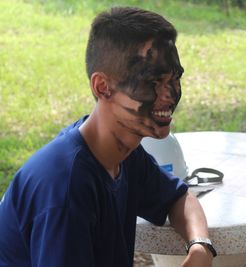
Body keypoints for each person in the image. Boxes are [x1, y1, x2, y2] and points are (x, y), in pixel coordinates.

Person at [0, 6, 216, 267]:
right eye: (153, 81)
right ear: (103, 87)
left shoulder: (124, 152)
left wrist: (200, 246)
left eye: (175, 77)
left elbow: (179, 197)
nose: (170, 94)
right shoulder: (67, 188)